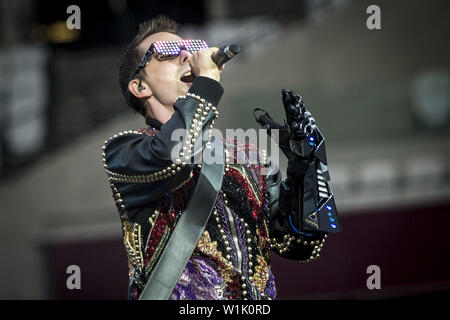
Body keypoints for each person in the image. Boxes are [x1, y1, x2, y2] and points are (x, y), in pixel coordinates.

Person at [102, 15, 340, 300]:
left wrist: (306, 168)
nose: (187, 57)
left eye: (191, 49)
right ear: (140, 87)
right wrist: (206, 82)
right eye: (167, 53)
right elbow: (175, 156)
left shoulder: (249, 156)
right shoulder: (126, 152)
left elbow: (299, 246)